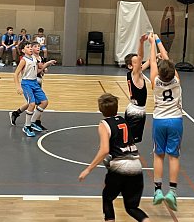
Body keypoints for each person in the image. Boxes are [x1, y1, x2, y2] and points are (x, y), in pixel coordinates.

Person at [78, 93, 150, 222]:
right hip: (136, 166)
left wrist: (88, 169)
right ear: (117, 108)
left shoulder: (104, 124)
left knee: (107, 198)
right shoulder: (124, 121)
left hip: (120, 166)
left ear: (101, 109)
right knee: (132, 207)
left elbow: (104, 150)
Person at [148, 33, 183, 211]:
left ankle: (157, 191)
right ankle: (173, 192)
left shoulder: (155, 80)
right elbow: (167, 59)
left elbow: (154, 62)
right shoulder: (176, 80)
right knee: (174, 156)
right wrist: (160, 41)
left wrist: (152, 42)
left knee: (158, 155)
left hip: (159, 120)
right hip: (175, 120)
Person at [13, 42, 56, 136]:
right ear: (23, 50)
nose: (30, 48)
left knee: (44, 102)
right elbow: (15, 74)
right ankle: (27, 126)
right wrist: (18, 87)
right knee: (31, 104)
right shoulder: (23, 60)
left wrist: (47, 64)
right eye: (28, 47)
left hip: (34, 83)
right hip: (26, 83)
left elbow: (38, 71)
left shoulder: (34, 58)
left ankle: (32, 122)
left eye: (30, 47)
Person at [123, 34, 150, 143]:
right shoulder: (135, 74)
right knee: (131, 139)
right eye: (136, 62)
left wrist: (155, 57)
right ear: (130, 66)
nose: (139, 64)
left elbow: (144, 65)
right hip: (136, 112)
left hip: (134, 108)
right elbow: (140, 57)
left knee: (130, 137)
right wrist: (141, 42)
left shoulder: (135, 73)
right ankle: (117, 154)